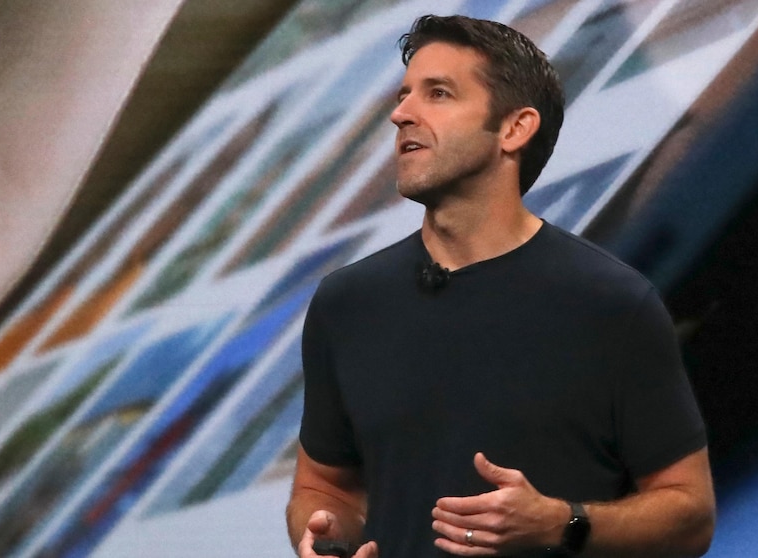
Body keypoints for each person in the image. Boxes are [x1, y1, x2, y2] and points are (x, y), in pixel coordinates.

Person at [286, 14, 715, 558]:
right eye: (404, 95)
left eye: (438, 94)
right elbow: (325, 487)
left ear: (514, 129)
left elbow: (690, 515)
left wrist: (562, 523)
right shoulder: (345, 305)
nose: (401, 114)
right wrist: (323, 535)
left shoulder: (611, 302)